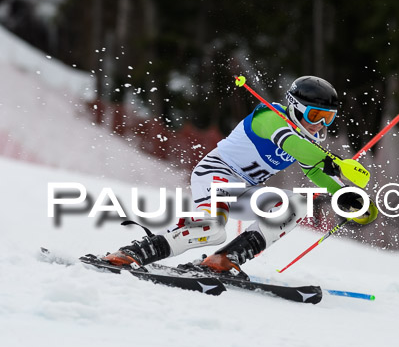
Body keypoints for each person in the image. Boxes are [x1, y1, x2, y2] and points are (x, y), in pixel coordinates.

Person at [101, 76, 378, 275]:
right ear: (294, 107)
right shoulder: (270, 118)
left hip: (244, 190)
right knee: (211, 229)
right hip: (216, 176)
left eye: (328, 118)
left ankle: (224, 260)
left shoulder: (308, 143)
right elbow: (293, 146)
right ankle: (133, 253)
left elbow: (317, 170)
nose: (319, 125)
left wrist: (346, 195)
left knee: (293, 205)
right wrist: (337, 163)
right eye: (315, 115)